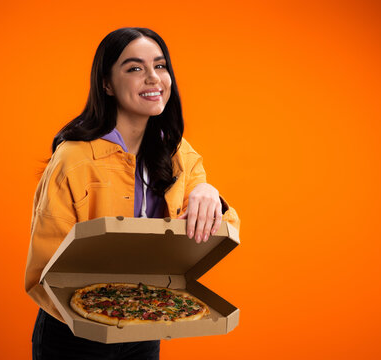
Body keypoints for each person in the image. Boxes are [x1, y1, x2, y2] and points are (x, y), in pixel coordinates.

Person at [25, 27, 240, 360]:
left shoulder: (178, 151)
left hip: (146, 323)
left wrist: (210, 193)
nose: (153, 78)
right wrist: (103, 313)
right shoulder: (72, 158)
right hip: (74, 333)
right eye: (135, 68)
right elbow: (45, 272)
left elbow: (223, 227)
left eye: (161, 65)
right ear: (107, 84)